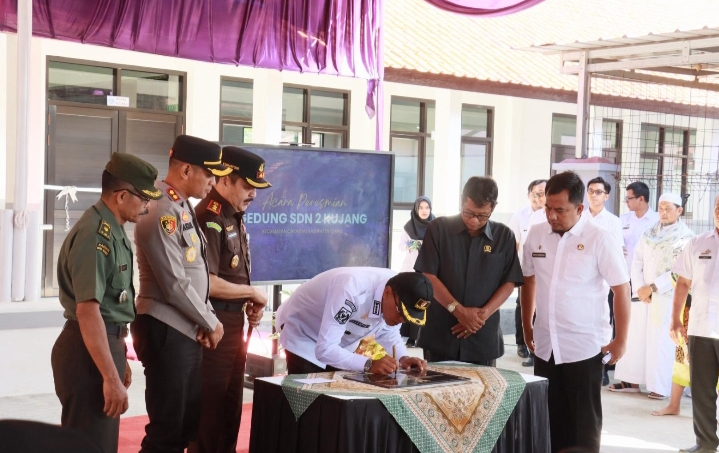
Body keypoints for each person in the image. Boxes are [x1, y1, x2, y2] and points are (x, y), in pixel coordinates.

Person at [51, 153, 163, 453]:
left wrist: (118, 357)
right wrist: (110, 376)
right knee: (91, 445)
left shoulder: (112, 228)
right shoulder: (95, 235)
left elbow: (111, 307)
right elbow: (88, 312)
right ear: (122, 196)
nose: (147, 205)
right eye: (143, 198)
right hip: (86, 353)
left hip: (100, 347)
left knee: (99, 443)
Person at [132, 135, 230, 453]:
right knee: (166, 432)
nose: (213, 182)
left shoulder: (181, 204)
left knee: (185, 427)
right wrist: (210, 322)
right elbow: (174, 283)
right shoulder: (160, 208)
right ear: (186, 170)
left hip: (185, 329)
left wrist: (205, 319)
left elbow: (196, 272)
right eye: (209, 174)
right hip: (166, 329)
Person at [521, 171, 630, 453]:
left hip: (585, 348)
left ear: (580, 208)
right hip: (545, 345)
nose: (552, 216)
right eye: (548, 208)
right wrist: (527, 325)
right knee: (548, 424)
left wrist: (620, 340)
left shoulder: (600, 239)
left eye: (560, 210)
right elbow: (529, 280)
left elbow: (621, 289)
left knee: (582, 431)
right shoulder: (536, 234)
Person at [190, 146, 271, 453]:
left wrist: (248, 303)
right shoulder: (210, 216)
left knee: (230, 411)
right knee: (209, 415)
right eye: (248, 186)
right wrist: (250, 293)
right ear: (225, 179)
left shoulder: (233, 215)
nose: (253, 194)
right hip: (213, 328)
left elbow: (233, 275)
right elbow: (207, 282)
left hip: (234, 325)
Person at [415, 176, 524, 366]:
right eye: (468, 213)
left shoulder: (504, 236)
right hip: (441, 332)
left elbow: (509, 282)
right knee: (438, 384)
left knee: (483, 385)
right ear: (461, 200)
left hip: (482, 335)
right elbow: (428, 275)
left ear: (493, 208)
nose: (474, 220)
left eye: (482, 215)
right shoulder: (439, 229)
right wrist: (458, 311)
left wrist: (480, 317)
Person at [611, 193, 694, 399]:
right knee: (635, 336)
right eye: (661, 208)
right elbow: (637, 260)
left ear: (679, 211)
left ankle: (660, 386)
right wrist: (640, 287)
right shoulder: (649, 233)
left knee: (661, 341)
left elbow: (680, 271)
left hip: (666, 296)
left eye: (668, 209)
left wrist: (653, 287)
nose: (663, 213)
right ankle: (631, 380)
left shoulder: (686, 237)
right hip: (642, 295)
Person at [276, 268, 432, 375]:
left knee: (335, 399)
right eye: (401, 313)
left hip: (338, 342)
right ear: (387, 293)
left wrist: (403, 358)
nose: (401, 320)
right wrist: (368, 364)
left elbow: (387, 331)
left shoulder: (399, 289)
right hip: (303, 332)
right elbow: (325, 349)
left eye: (407, 318)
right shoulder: (352, 289)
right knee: (308, 399)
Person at [672, 195, 719, 453]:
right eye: (717, 206)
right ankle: (706, 443)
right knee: (702, 391)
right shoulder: (697, 243)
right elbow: (682, 282)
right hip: (701, 329)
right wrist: (675, 319)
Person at [607, 181, 659, 392]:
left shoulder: (657, 221)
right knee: (626, 329)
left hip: (650, 286)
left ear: (641, 199)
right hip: (624, 281)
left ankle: (655, 382)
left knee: (649, 333)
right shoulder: (622, 220)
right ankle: (629, 378)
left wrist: (648, 286)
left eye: (629, 198)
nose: (626, 202)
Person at [582, 176, 624, 385]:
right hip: (582, 279)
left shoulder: (613, 222)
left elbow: (617, 252)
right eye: (590, 191)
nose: (593, 195)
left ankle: (604, 367)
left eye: (598, 192)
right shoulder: (580, 216)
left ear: (606, 196)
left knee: (604, 324)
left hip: (605, 281)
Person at [509, 179, 547, 362]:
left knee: (542, 307)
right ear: (529, 194)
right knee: (524, 305)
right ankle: (522, 342)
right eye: (535, 193)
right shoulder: (521, 216)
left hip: (545, 273)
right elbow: (514, 245)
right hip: (526, 269)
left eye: (542, 193)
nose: (538, 197)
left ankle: (537, 347)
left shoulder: (549, 215)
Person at [397, 195, 435, 347]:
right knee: (412, 302)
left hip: (429, 269)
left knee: (426, 303)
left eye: (427, 207)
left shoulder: (436, 225)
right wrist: (414, 244)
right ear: (416, 209)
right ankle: (411, 337)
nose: (424, 210)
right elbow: (401, 246)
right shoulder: (409, 226)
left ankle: (423, 336)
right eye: (421, 207)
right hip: (412, 269)